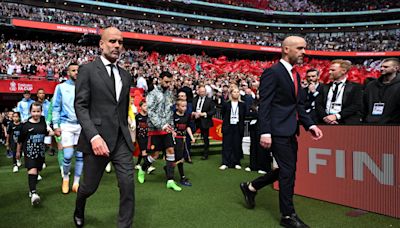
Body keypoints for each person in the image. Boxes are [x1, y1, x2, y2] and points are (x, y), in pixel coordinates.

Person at [239, 36, 323, 228]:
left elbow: (298, 106)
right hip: (276, 131)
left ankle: (251, 187)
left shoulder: (296, 74)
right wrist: (265, 132)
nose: (304, 52)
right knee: (288, 171)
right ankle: (287, 215)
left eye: (304, 48)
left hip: (291, 130)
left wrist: (310, 125)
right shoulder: (272, 72)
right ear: (286, 49)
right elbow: (265, 104)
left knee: (287, 169)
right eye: (300, 48)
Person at [74, 27, 135, 228]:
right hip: (97, 140)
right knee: (89, 187)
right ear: (101, 44)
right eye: (112, 41)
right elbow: (80, 106)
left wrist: (129, 133)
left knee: (127, 186)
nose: (117, 45)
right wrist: (93, 137)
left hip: (121, 142)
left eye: (120, 42)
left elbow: (123, 110)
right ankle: (80, 205)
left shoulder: (126, 76)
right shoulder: (87, 70)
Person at [138, 71, 182, 192]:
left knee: (170, 150)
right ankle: (142, 168)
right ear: (160, 79)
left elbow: (169, 112)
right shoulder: (152, 94)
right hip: (155, 129)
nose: (168, 84)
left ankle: (170, 180)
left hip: (166, 128)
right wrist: (161, 125)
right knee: (155, 155)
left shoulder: (170, 94)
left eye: (170, 82)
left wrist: (171, 127)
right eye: (166, 81)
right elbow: (150, 112)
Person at [52, 62, 83, 194]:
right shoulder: (61, 87)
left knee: (81, 155)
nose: (76, 72)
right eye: (73, 70)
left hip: (82, 125)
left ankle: (76, 182)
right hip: (66, 124)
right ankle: (65, 178)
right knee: (68, 155)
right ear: (68, 73)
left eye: (78, 70)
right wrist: (55, 125)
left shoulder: (85, 87)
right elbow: (56, 107)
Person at [16, 102, 54, 206]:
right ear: (30, 112)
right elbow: (20, 140)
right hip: (29, 153)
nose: (36, 113)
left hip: (40, 153)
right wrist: (18, 152)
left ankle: (31, 188)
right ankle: (33, 193)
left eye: (38, 111)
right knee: (32, 171)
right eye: (34, 111)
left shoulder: (42, 120)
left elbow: (45, 132)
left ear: (41, 112)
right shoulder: (25, 125)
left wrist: (54, 132)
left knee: (37, 171)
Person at [316, 60, 362, 125]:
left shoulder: (355, 87)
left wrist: (336, 116)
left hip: (346, 123)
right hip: (325, 123)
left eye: (333, 70)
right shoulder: (324, 87)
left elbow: (356, 105)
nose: (329, 72)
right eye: (330, 70)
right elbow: (318, 104)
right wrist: (326, 118)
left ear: (343, 71)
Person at [363, 58, 400, 124]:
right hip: (370, 123)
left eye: (386, 67)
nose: (382, 69)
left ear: (396, 68)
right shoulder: (371, 85)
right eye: (381, 67)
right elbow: (363, 105)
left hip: (393, 125)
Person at [219, 86, 245, 170]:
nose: (236, 94)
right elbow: (223, 114)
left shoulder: (242, 104)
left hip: (237, 126)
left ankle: (236, 162)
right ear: (231, 93)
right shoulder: (226, 104)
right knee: (226, 144)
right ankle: (225, 162)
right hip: (228, 126)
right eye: (234, 92)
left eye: (238, 92)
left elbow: (243, 115)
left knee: (236, 144)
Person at [173, 99, 195, 186]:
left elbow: (188, 127)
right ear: (177, 107)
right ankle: (182, 177)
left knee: (181, 158)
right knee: (179, 158)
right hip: (175, 140)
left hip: (183, 139)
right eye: (182, 106)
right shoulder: (173, 116)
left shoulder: (187, 116)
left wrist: (192, 137)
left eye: (185, 106)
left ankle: (169, 168)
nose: (184, 108)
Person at [192, 85, 216, 160]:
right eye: (200, 91)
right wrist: (193, 113)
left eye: (203, 91)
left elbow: (213, 111)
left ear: (205, 92)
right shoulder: (194, 99)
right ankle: (187, 153)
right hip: (195, 120)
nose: (202, 93)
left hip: (205, 121)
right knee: (190, 135)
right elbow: (190, 109)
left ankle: (206, 154)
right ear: (198, 92)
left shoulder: (209, 100)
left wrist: (204, 114)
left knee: (205, 138)